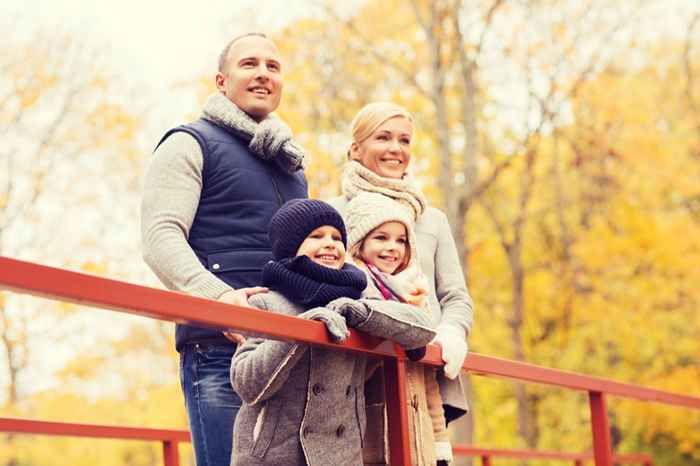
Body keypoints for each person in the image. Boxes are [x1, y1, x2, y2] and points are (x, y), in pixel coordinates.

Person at [141, 32, 308, 466]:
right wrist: (220, 300)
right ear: (221, 80)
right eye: (249, 64)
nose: (263, 74)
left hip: (289, 350)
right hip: (220, 348)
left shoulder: (291, 166)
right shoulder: (188, 142)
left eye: (273, 67)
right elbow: (160, 237)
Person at [230, 199, 437, 466]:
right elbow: (247, 384)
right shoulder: (266, 303)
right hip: (275, 456)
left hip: (342, 455)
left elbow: (422, 329)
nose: (330, 243)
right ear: (290, 247)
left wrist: (358, 312)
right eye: (316, 236)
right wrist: (303, 328)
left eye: (337, 237)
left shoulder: (357, 301)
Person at [327, 102, 474, 425]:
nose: (396, 149)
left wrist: (451, 333)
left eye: (404, 140)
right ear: (355, 149)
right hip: (358, 369)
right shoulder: (331, 213)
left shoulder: (431, 219)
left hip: (424, 371)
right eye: (383, 138)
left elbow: (455, 297)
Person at [343, 192, 453, 466]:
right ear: (359, 242)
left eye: (401, 240)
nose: (393, 247)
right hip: (374, 433)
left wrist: (440, 442)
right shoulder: (355, 290)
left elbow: (428, 383)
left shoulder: (416, 298)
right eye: (381, 238)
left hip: (419, 434)